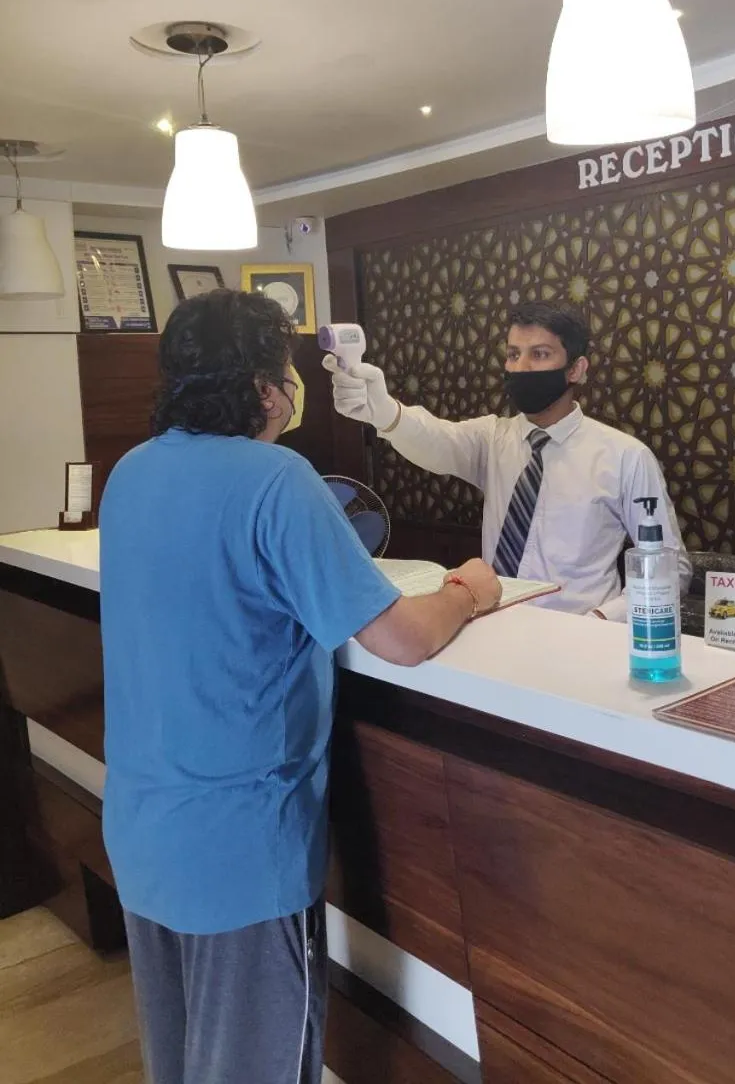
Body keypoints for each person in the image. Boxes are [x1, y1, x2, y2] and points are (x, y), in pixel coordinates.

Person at [98, 288, 500, 1084]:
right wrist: (469, 592)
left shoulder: (131, 473)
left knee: (180, 1063)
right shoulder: (277, 479)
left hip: (144, 830)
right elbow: (402, 639)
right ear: (264, 387)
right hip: (239, 847)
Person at [325, 300, 690, 621]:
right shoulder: (494, 438)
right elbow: (435, 440)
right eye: (514, 354)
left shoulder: (625, 456)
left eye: (540, 354)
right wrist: (385, 412)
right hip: (494, 622)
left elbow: (670, 567)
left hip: (581, 634)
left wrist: (600, 620)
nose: (522, 367)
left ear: (576, 369)